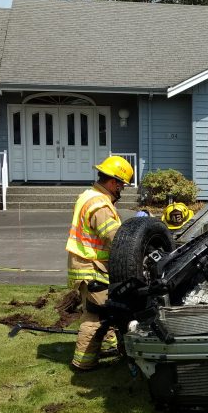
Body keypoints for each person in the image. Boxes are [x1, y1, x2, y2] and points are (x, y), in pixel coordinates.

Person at [65, 155, 134, 371]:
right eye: (121, 184)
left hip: (88, 265)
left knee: (108, 309)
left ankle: (114, 347)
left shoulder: (90, 196)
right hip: (91, 267)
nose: (122, 189)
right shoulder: (99, 205)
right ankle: (83, 363)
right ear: (113, 182)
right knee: (96, 316)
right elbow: (113, 236)